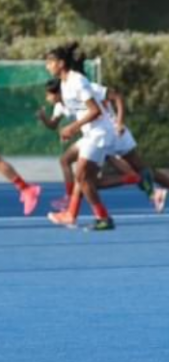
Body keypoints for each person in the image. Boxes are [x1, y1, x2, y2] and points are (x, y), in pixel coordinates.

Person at [40, 78, 169, 223]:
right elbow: (56, 123)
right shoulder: (62, 104)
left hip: (110, 133)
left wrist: (120, 123)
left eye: (48, 95)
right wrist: (45, 119)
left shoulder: (85, 87)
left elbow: (116, 97)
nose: (47, 98)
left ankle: (76, 211)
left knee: (87, 177)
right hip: (93, 136)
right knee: (77, 169)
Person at [44, 43, 116, 230]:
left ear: (61, 63)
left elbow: (95, 111)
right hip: (90, 134)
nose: (47, 66)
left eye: (50, 62)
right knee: (84, 178)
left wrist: (72, 128)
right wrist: (72, 129)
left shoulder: (77, 81)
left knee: (83, 177)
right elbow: (80, 111)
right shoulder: (66, 84)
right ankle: (82, 216)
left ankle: (102, 217)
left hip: (99, 133)